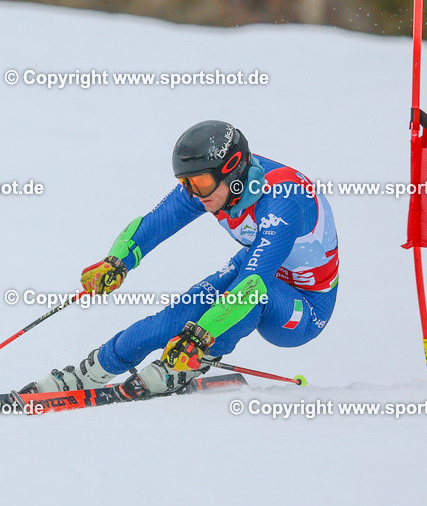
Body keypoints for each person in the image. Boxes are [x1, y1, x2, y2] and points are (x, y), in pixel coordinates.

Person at [22, 120, 339, 398]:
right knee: (177, 315)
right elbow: (157, 222)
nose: (194, 194)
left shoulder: (283, 202)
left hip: (302, 310)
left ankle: (189, 363)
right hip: (258, 270)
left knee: (247, 294)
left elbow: (252, 287)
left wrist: (198, 339)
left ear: (235, 172)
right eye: (186, 183)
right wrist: (117, 262)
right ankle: (90, 373)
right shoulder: (215, 186)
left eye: (200, 183)